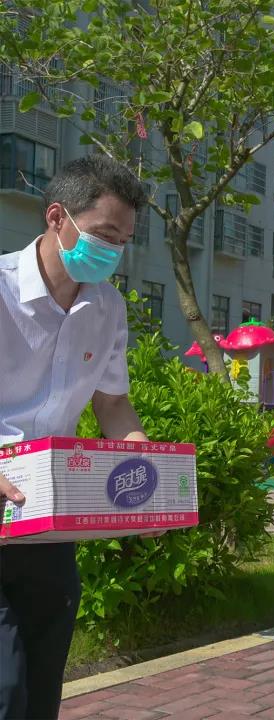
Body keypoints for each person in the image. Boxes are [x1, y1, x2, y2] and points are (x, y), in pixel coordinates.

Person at [0, 155, 153, 720]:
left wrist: (139, 452)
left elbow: (111, 402)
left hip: (49, 520)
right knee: (5, 691)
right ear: (57, 217)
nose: (113, 251)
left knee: (42, 690)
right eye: (104, 234)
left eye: (124, 241)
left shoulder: (106, 306)